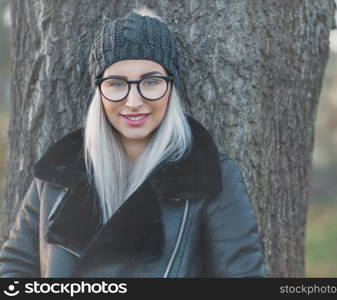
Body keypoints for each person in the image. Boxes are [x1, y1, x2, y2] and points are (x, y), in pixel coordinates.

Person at [0, 8, 267, 278]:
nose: (134, 101)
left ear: (171, 87)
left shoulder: (212, 177)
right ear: (99, 91)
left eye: (151, 81)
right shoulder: (57, 175)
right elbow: (14, 266)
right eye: (117, 83)